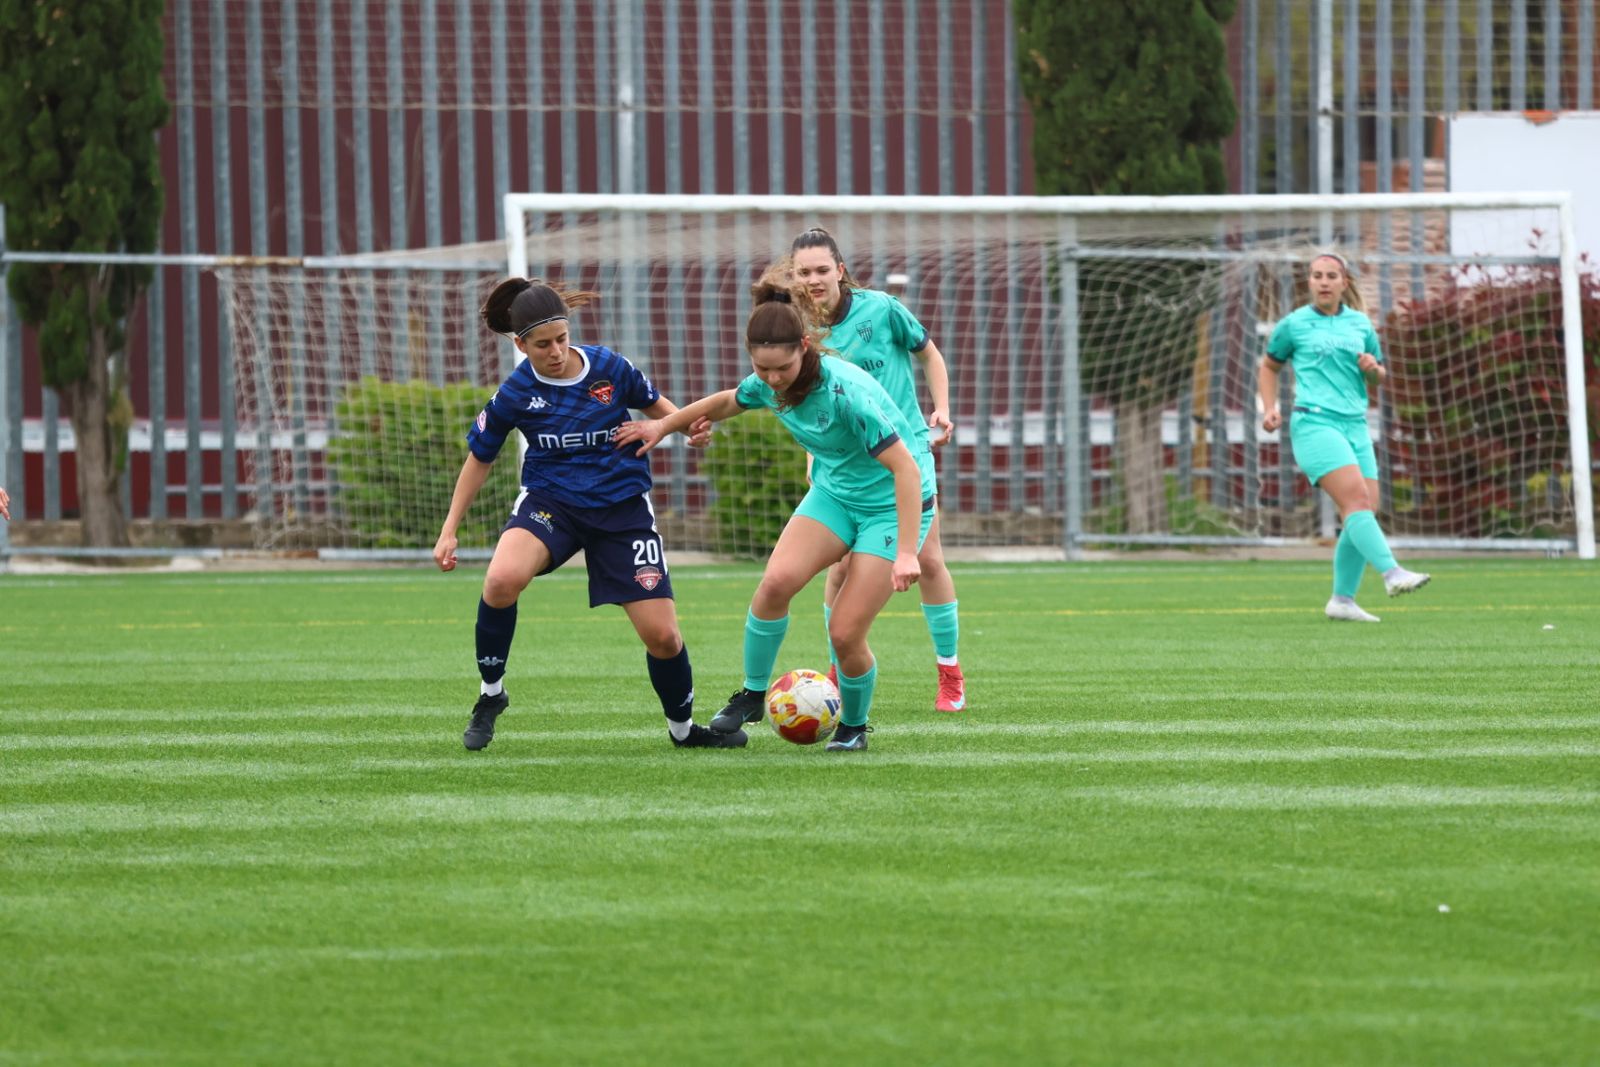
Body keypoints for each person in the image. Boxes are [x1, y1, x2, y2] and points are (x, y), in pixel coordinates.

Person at [613, 272, 932, 752]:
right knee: (775, 583)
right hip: (836, 495)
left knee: (845, 633)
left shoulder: (847, 393)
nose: (772, 379)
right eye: (762, 369)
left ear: (804, 347)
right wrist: (663, 428)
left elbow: (906, 471)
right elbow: (725, 401)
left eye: (781, 368)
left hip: (891, 506)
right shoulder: (766, 382)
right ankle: (753, 694)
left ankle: (853, 727)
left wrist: (908, 553)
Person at [432, 278, 742, 751]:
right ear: (520, 345)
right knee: (500, 580)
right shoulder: (516, 394)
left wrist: (682, 429)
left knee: (663, 637)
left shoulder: (610, 368)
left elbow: (659, 409)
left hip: (622, 510)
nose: (556, 351)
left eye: (561, 338)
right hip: (552, 505)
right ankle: (491, 695)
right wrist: (449, 530)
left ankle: (684, 731)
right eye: (542, 344)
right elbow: (480, 458)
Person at [787, 227, 966, 712]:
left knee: (927, 559)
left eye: (822, 270)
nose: (813, 280)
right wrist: (813, 455)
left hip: (903, 454)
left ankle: (949, 672)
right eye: (803, 272)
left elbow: (928, 352)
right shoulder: (798, 326)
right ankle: (837, 673)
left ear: (840, 271)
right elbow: (806, 398)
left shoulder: (882, 309)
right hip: (845, 464)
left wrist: (941, 409)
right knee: (839, 566)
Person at [1259, 252, 1431, 622]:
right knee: (1356, 500)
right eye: (1317, 275)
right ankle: (1392, 573)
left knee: (1367, 505)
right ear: (1309, 282)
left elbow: (1377, 376)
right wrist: (1269, 408)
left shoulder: (1360, 325)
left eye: (1331, 275)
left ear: (1344, 282)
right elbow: (1269, 366)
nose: (1323, 281)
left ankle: (1342, 600)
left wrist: (1373, 370)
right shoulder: (1294, 324)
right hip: (1315, 423)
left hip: (1355, 424)